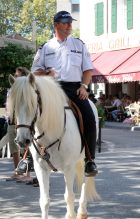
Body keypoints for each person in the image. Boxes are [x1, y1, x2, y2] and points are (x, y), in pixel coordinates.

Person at [31, 10, 98, 177]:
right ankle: (28, 157)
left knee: (89, 117)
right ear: (56, 25)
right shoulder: (45, 47)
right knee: (32, 114)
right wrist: (47, 74)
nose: (69, 25)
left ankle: (90, 160)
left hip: (75, 88)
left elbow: (88, 70)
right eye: (65, 22)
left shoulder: (79, 44)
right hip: (51, 89)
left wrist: (84, 86)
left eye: (70, 22)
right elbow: (34, 72)